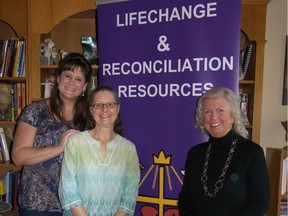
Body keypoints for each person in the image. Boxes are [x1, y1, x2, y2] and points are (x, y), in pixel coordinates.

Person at [12, 52, 92, 216]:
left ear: (84, 86)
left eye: (78, 79)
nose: (71, 83)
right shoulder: (36, 110)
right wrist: (59, 147)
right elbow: (18, 156)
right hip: (39, 204)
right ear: (58, 79)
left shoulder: (90, 116)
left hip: (77, 203)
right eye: (67, 76)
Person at [178, 87, 270, 216]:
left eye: (220, 110)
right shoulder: (195, 154)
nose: (213, 117)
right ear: (201, 118)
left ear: (233, 116)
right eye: (207, 112)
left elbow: (260, 203)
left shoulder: (252, 153)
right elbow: (185, 199)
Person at [58, 86, 140, 216]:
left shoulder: (128, 148)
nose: (104, 109)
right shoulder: (76, 142)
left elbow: (130, 195)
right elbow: (68, 190)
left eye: (110, 104)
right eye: (98, 105)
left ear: (117, 108)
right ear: (91, 110)